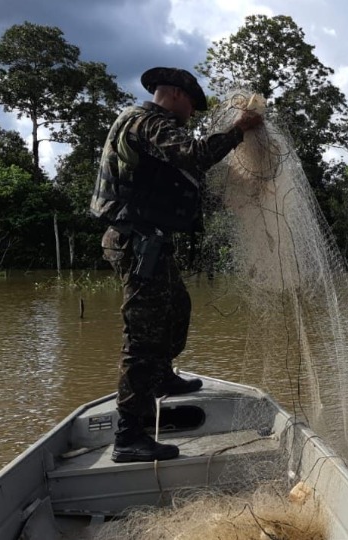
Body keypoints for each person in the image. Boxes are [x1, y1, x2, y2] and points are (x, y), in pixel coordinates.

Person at [90, 67, 263, 462]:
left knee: (176, 309)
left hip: (148, 243)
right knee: (143, 340)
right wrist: (241, 129)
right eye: (191, 105)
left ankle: (162, 375)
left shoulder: (143, 123)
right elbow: (196, 155)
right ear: (176, 95)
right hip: (135, 243)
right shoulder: (147, 121)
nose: (191, 115)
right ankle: (129, 436)